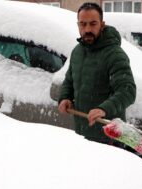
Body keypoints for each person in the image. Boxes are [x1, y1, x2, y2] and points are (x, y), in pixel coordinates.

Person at [58, 2, 136, 147]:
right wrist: (65, 97)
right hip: (82, 134)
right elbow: (69, 81)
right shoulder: (77, 51)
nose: (87, 29)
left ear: (102, 24)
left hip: (109, 138)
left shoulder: (114, 54)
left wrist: (103, 109)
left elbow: (128, 91)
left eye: (93, 24)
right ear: (78, 25)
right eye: (83, 24)